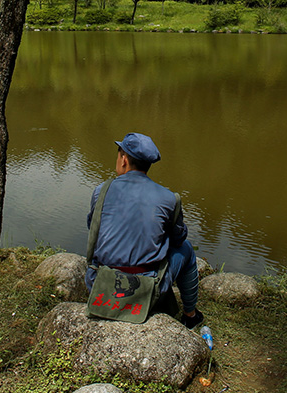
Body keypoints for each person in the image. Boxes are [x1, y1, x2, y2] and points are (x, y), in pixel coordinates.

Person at [85, 132, 203, 329]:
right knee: (187, 249)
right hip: (147, 287)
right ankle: (190, 315)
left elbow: (94, 230)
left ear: (123, 160)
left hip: (100, 281)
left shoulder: (101, 191)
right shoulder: (169, 198)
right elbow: (179, 238)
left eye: (118, 153)